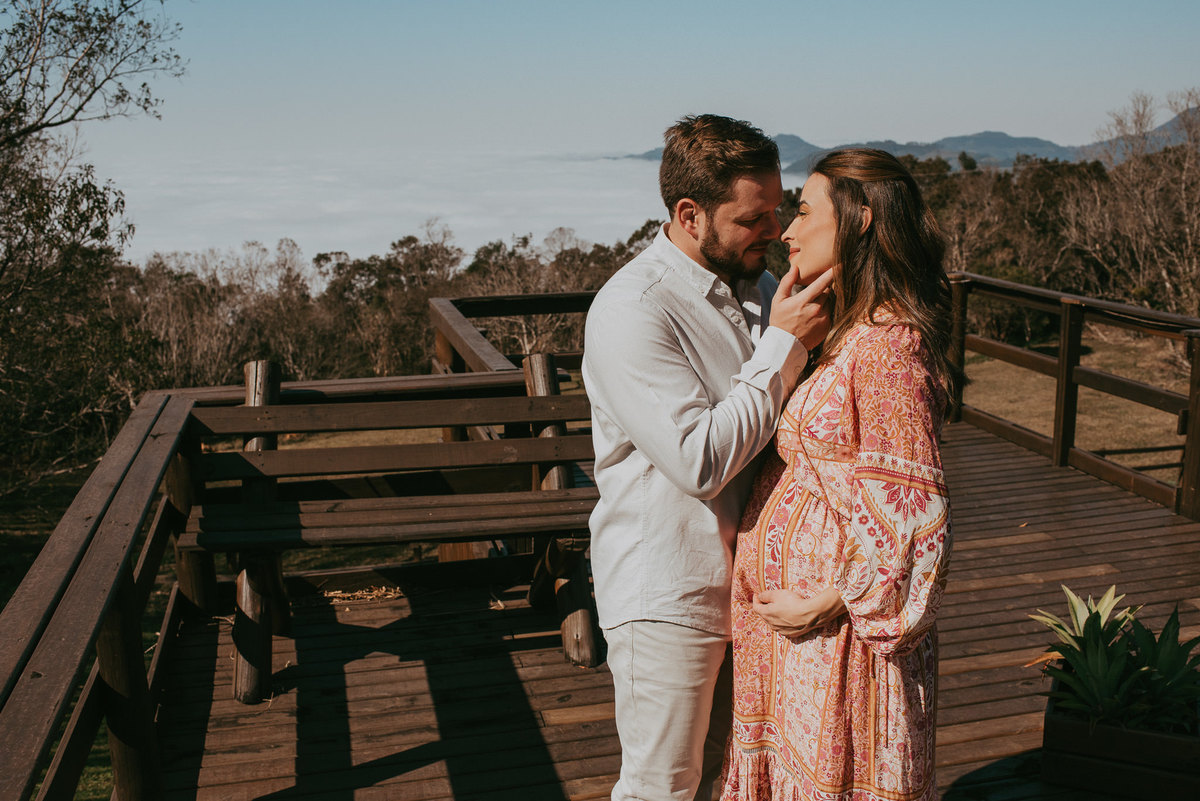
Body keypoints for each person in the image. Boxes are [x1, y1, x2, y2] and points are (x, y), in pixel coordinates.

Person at [581, 114, 833, 801]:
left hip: (752, 588)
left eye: (780, 210)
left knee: (732, 777)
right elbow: (699, 459)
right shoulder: (633, 309)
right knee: (662, 787)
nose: (776, 230)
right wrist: (784, 348)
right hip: (669, 589)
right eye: (755, 216)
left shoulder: (756, 288)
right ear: (689, 215)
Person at [720, 148, 959, 801]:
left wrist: (827, 602)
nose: (787, 231)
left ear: (859, 222)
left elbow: (914, 524)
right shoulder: (847, 331)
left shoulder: (887, 346)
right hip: (800, 644)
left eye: (802, 210)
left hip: (841, 645)